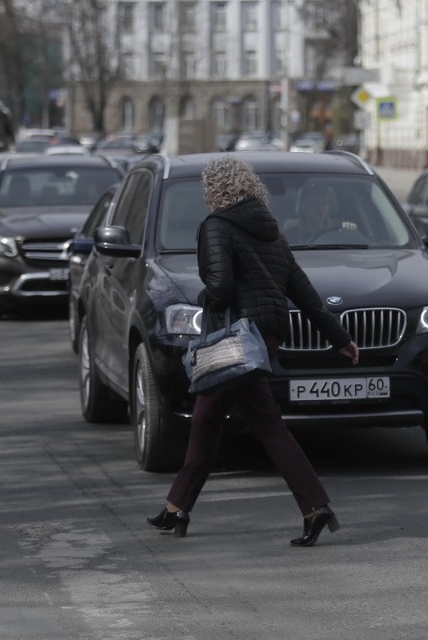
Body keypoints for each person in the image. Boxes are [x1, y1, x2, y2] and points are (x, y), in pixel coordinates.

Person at [148, 155, 360, 547]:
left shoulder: (216, 226)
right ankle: (176, 508)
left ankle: (316, 507)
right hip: (266, 335)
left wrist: (202, 294)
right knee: (207, 419)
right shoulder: (273, 234)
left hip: (236, 338)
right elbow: (305, 293)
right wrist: (341, 338)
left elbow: (220, 288)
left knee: (263, 423)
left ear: (215, 189)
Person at [283, 182, 357, 243]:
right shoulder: (288, 237)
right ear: (302, 207)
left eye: (324, 203)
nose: (320, 208)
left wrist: (350, 232)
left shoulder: (338, 231)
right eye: (314, 203)